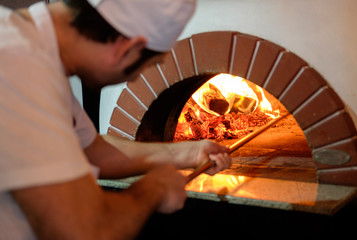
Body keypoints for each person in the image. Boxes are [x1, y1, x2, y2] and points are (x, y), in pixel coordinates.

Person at [0, 0, 231, 239]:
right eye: (150, 65)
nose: (135, 79)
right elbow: (86, 232)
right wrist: (154, 189)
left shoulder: (29, 50)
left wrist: (186, 154)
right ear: (127, 48)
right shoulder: (17, 66)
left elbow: (90, 149)